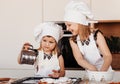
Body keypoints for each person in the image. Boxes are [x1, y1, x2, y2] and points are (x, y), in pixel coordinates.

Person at [63, 0, 112, 71]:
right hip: (90, 72)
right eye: (66, 26)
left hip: (105, 71)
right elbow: (79, 59)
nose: (67, 28)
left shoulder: (96, 35)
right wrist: (92, 68)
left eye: (69, 25)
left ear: (79, 23)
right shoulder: (73, 40)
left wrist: (101, 73)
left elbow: (108, 56)